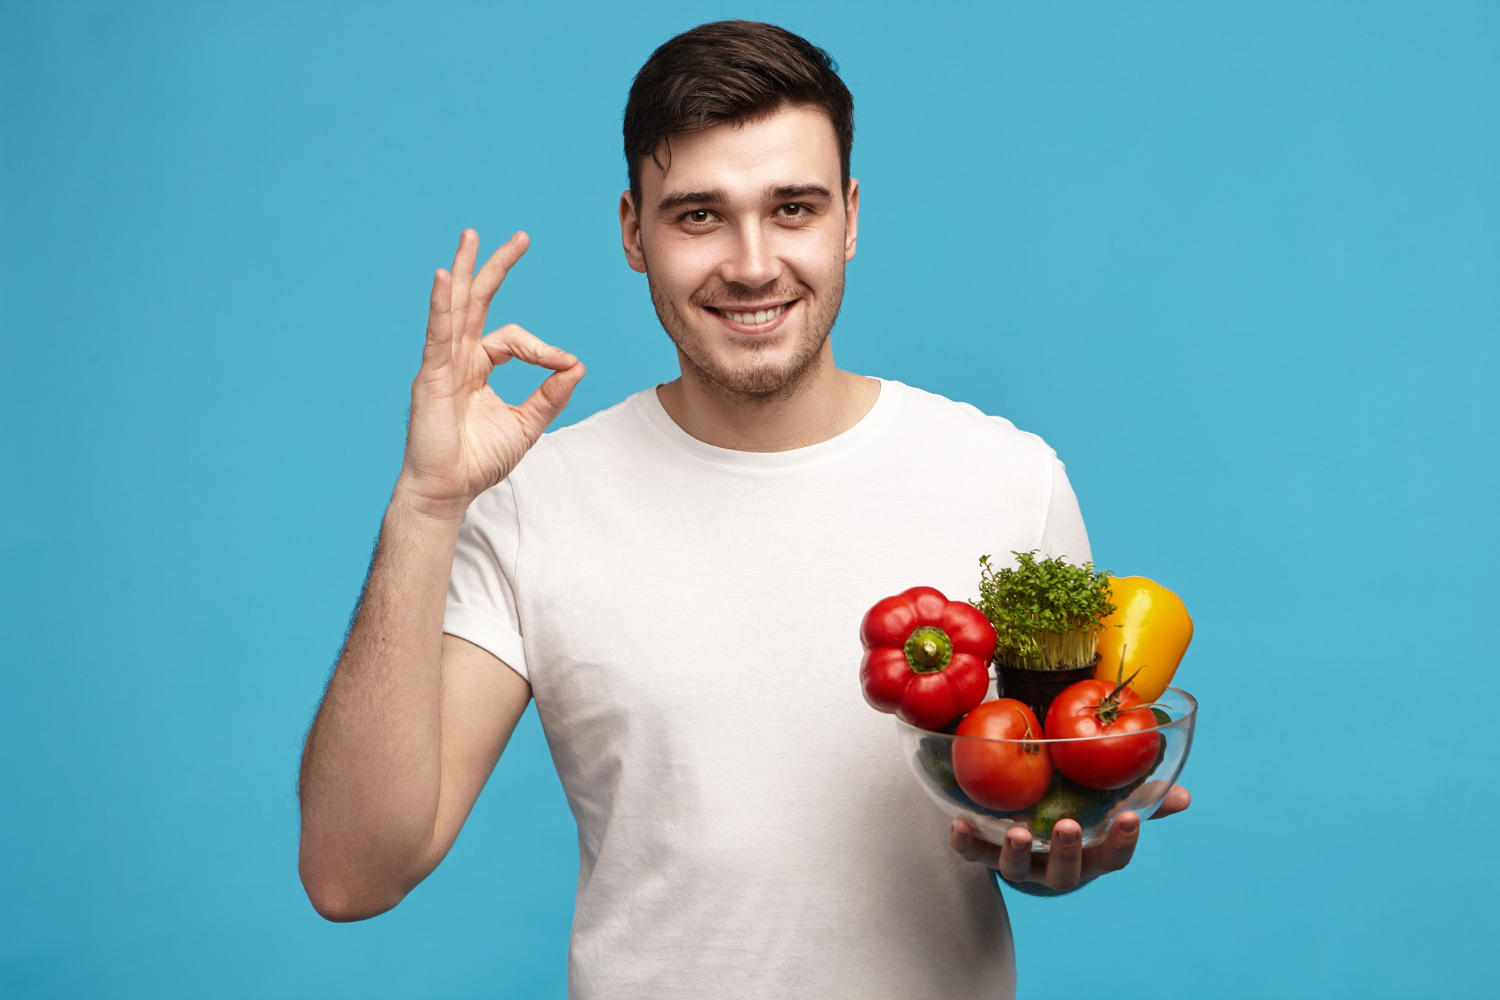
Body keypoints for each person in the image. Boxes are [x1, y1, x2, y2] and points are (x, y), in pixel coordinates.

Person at [297, 19, 1189, 998]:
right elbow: (351, 873)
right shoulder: (533, 503)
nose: (753, 263)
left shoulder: (1006, 477)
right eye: (698, 216)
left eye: (793, 207)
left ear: (850, 216)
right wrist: (426, 503)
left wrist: (1056, 848)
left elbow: (1056, 785)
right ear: (635, 232)